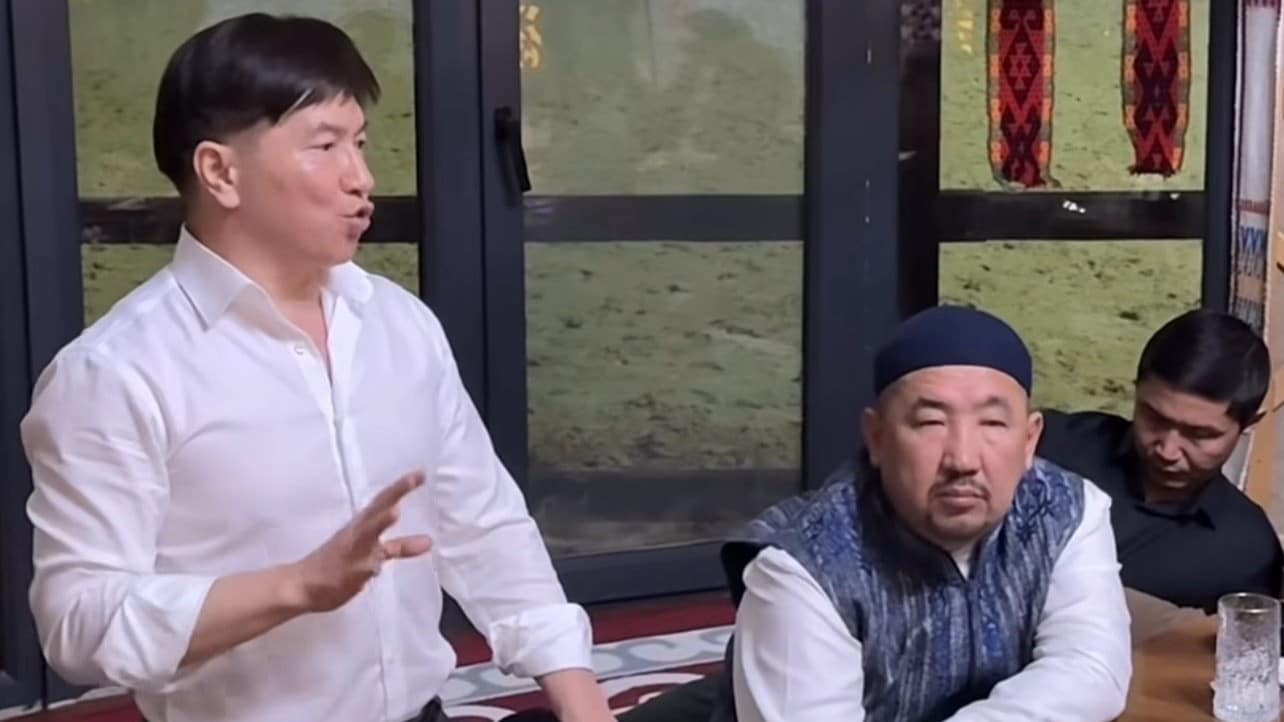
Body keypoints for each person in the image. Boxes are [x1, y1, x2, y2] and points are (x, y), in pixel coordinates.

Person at [21, 14, 614, 722]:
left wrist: (582, 701)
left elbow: (485, 526)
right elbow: (78, 623)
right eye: (325, 146)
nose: (361, 178)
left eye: (360, 143)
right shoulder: (115, 372)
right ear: (220, 171)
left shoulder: (399, 324)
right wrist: (297, 586)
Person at [633, 306, 1133, 722]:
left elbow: (1091, 669)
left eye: (992, 423)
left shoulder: (1067, 510)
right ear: (877, 437)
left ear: (1029, 440)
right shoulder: (803, 565)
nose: (962, 459)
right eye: (931, 422)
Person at [1038, 308, 1283, 613]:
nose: (1167, 450)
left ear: (1247, 425)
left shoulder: (1248, 551)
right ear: (1137, 390)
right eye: (1154, 418)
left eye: (1200, 435)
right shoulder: (1048, 446)